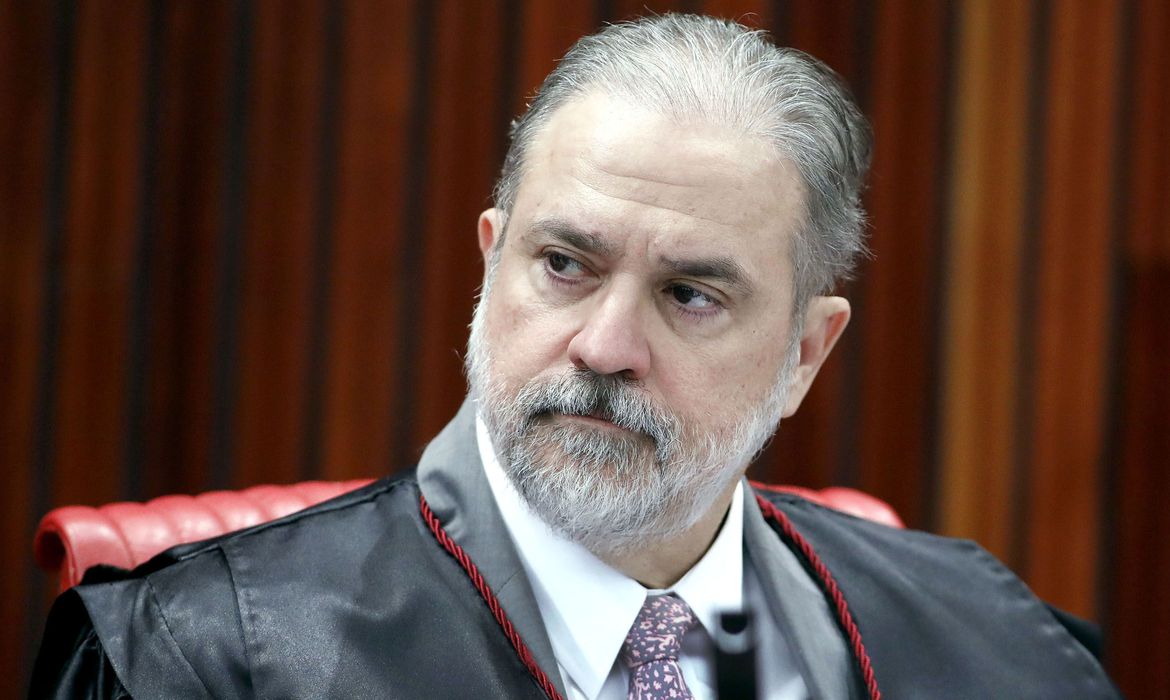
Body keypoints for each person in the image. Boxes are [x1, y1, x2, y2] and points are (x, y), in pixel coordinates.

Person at [31, 13, 1118, 700]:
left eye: (691, 295)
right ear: (491, 260)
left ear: (804, 353)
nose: (604, 345)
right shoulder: (202, 662)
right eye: (564, 265)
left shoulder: (999, 651)